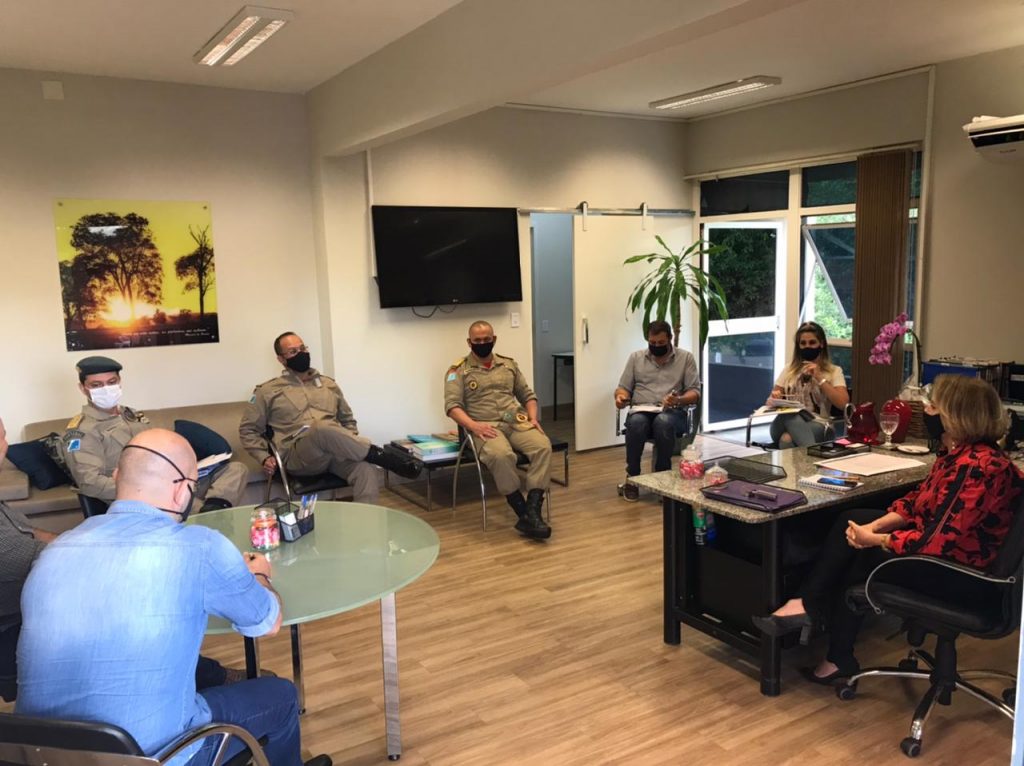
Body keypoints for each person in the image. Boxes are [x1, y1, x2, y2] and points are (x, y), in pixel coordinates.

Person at [16, 429, 331, 766]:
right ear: (182, 490)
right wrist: (260, 574)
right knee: (281, 695)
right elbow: (267, 622)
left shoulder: (55, 551)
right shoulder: (199, 547)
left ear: (118, 477)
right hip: (154, 757)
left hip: (38, 755)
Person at [752, 375, 1024, 684]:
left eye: (934, 407)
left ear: (956, 415)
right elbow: (917, 501)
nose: (927, 411)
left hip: (961, 574)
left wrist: (876, 539)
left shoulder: (977, 467)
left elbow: (938, 541)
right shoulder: (959, 454)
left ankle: (829, 642)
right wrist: (876, 525)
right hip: (950, 556)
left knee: (861, 555)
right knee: (851, 519)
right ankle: (809, 609)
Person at [239, 332, 420, 504]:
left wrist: (348, 442)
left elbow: (347, 420)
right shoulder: (267, 391)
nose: (301, 354)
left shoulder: (328, 384)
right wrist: (263, 457)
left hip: (334, 454)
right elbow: (248, 430)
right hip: (299, 458)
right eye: (293, 352)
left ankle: (366, 523)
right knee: (320, 428)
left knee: (366, 470)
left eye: (303, 348)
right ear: (281, 359)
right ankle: (382, 457)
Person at [63, 356, 248, 512]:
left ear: (119, 382)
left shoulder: (131, 414)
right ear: (83, 388)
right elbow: (90, 482)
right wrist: (148, 487)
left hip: (168, 481)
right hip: (136, 497)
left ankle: (213, 509)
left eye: (111, 382)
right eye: (96, 385)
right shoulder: (82, 430)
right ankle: (209, 516)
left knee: (235, 469)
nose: (106, 389)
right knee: (190, 506)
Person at [444, 320, 552, 540]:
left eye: (487, 339)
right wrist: (473, 426)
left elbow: (528, 395)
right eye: (477, 340)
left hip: (514, 419)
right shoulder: (458, 370)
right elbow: (452, 407)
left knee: (543, 446)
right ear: (469, 342)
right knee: (501, 455)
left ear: (494, 339)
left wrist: (533, 417)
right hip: (483, 424)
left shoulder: (508, 365)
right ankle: (521, 509)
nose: (482, 343)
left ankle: (532, 510)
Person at [614, 320, 701, 501]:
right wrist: (621, 397)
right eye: (652, 343)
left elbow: (695, 392)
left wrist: (678, 400)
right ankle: (633, 477)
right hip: (642, 409)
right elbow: (623, 388)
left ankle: (663, 476)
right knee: (636, 422)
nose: (656, 346)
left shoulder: (685, 358)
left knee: (663, 421)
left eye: (661, 343)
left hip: (673, 412)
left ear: (670, 338)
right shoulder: (636, 358)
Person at [0, 416, 55, 702]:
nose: (5, 446)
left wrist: (69, 538)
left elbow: (28, 531)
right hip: (12, 622)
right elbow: (26, 557)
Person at [765, 321, 849, 448]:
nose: (807, 346)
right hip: (782, 423)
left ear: (821, 344)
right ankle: (812, 452)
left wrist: (820, 378)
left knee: (786, 439)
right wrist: (775, 397)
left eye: (812, 342)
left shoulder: (834, 371)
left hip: (820, 424)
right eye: (803, 343)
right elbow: (770, 401)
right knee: (790, 414)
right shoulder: (789, 369)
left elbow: (843, 403)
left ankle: (806, 455)